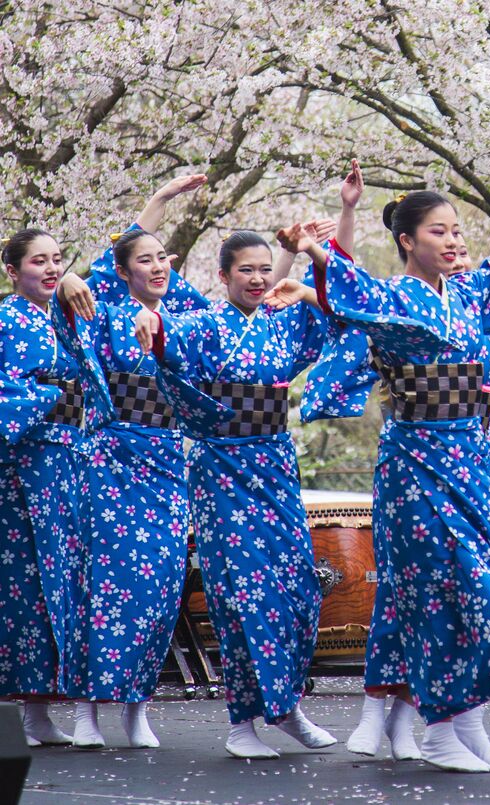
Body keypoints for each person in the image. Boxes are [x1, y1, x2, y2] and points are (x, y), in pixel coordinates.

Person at [267, 169, 490, 771]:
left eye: (458, 230)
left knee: (480, 589)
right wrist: (313, 249)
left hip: (475, 462)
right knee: (446, 591)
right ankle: (432, 731)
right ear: (409, 241)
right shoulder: (389, 297)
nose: (455, 240)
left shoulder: (469, 295)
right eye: (440, 230)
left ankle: (467, 723)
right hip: (416, 462)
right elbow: (348, 287)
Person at [133, 229, 335, 760]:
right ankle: (241, 720)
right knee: (241, 591)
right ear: (223, 277)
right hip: (221, 467)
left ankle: (288, 706)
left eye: (265, 269)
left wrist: (340, 224)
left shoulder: (281, 323)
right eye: (246, 270)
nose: (258, 278)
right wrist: (152, 321)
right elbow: (164, 341)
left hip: (274, 461)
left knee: (296, 585)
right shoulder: (201, 327)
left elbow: (337, 313)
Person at [51, 175, 210, 749]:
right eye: (145, 260)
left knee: (162, 583)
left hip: (167, 459)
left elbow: (247, 301)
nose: (159, 266)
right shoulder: (103, 307)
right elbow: (66, 291)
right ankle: (87, 712)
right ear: (122, 273)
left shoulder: (185, 309)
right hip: (112, 459)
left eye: (163, 258)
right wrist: (68, 275)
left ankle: (137, 707)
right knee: (108, 581)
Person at [0, 228, 83, 746]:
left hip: (62, 463)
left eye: (57, 260)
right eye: (38, 262)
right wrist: (53, 394)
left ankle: (38, 711)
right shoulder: (8, 319)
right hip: (21, 465)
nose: (51, 269)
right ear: (12, 270)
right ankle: (21, 712)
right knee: (23, 586)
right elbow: (10, 392)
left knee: (54, 582)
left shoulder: (59, 313)